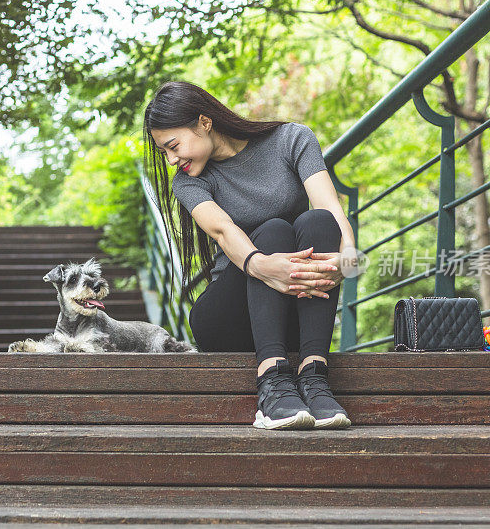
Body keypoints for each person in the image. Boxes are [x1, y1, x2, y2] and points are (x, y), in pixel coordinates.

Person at [143, 81, 357, 430]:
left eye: (173, 146)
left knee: (318, 221)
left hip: (293, 309)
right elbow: (224, 230)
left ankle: (315, 376)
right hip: (230, 318)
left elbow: (330, 205)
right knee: (273, 230)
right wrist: (263, 265)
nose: (172, 159)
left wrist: (347, 263)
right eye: (165, 151)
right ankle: (272, 383)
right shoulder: (187, 182)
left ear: (204, 122)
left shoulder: (292, 139)